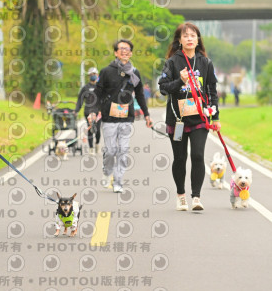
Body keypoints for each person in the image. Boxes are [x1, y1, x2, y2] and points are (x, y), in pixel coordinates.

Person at [158, 22, 220, 211]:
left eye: (193, 35)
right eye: (185, 36)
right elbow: (163, 88)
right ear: (179, 40)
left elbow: (212, 91)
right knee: (180, 158)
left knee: (198, 155)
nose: (190, 39)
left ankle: (196, 197)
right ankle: (181, 196)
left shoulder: (205, 63)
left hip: (200, 119)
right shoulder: (172, 62)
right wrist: (180, 81)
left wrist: (215, 117)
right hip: (177, 121)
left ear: (198, 39)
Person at [90, 39, 153, 193]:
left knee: (123, 151)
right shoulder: (106, 71)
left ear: (131, 53)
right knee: (111, 151)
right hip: (109, 117)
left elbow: (140, 95)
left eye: (127, 49)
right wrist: (93, 111)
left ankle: (118, 182)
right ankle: (107, 172)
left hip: (127, 117)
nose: (125, 51)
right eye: (121, 49)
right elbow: (97, 93)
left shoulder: (134, 73)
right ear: (116, 53)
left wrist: (146, 114)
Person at [75, 67, 102, 152]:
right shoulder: (85, 88)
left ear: (97, 75)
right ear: (88, 76)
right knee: (90, 129)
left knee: (97, 130)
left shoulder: (100, 87)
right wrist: (76, 110)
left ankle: (97, 143)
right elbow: (80, 100)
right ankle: (91, 148)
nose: (92, 76)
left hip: (98, 112)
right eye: (91, 75)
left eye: (94, 74)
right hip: (88, 112)